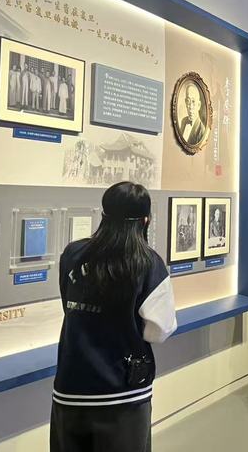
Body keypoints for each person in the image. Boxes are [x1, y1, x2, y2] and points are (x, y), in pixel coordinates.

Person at [51, 182, 177, 452]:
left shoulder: (73, 254)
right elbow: (159, 330)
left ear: (104, 215)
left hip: (70, 389)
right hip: (122, 395)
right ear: (145, 220)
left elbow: (68, 304)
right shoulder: (148, 263)